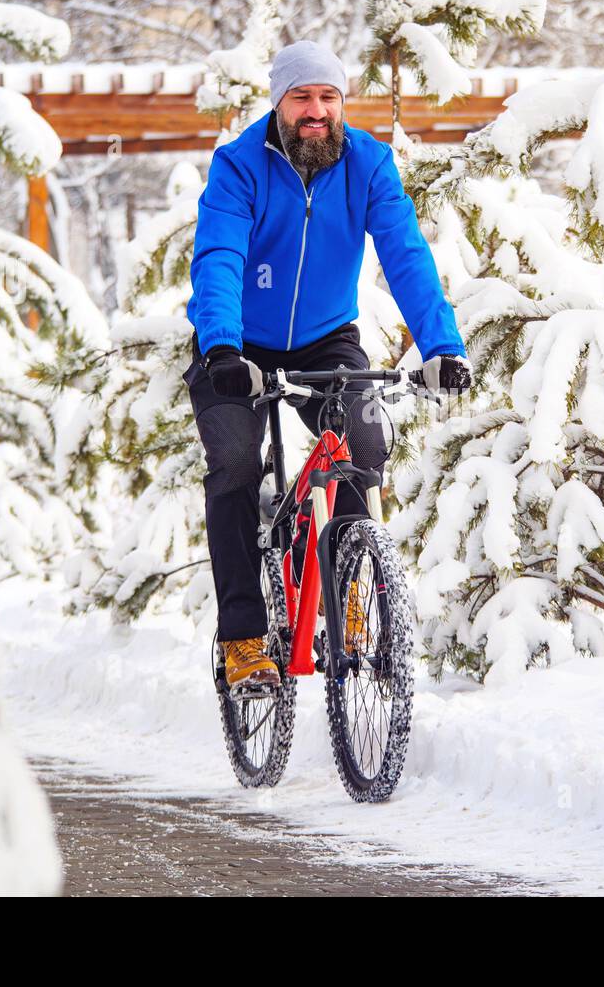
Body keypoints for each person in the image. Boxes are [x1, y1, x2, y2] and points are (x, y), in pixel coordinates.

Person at [185, 39, 472, 691]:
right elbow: (220, 257)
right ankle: (246, 638)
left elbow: (406, 254)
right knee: (232, 463)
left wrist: (442, 345)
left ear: (341, 101)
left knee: (363, 444)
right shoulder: (239, 167)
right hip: (236, 346)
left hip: (326, 340)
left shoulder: (368, 164)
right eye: (302, 97)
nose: (316, 111)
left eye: (328, 97)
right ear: (278, 102)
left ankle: (348, 593)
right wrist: (223, 345)